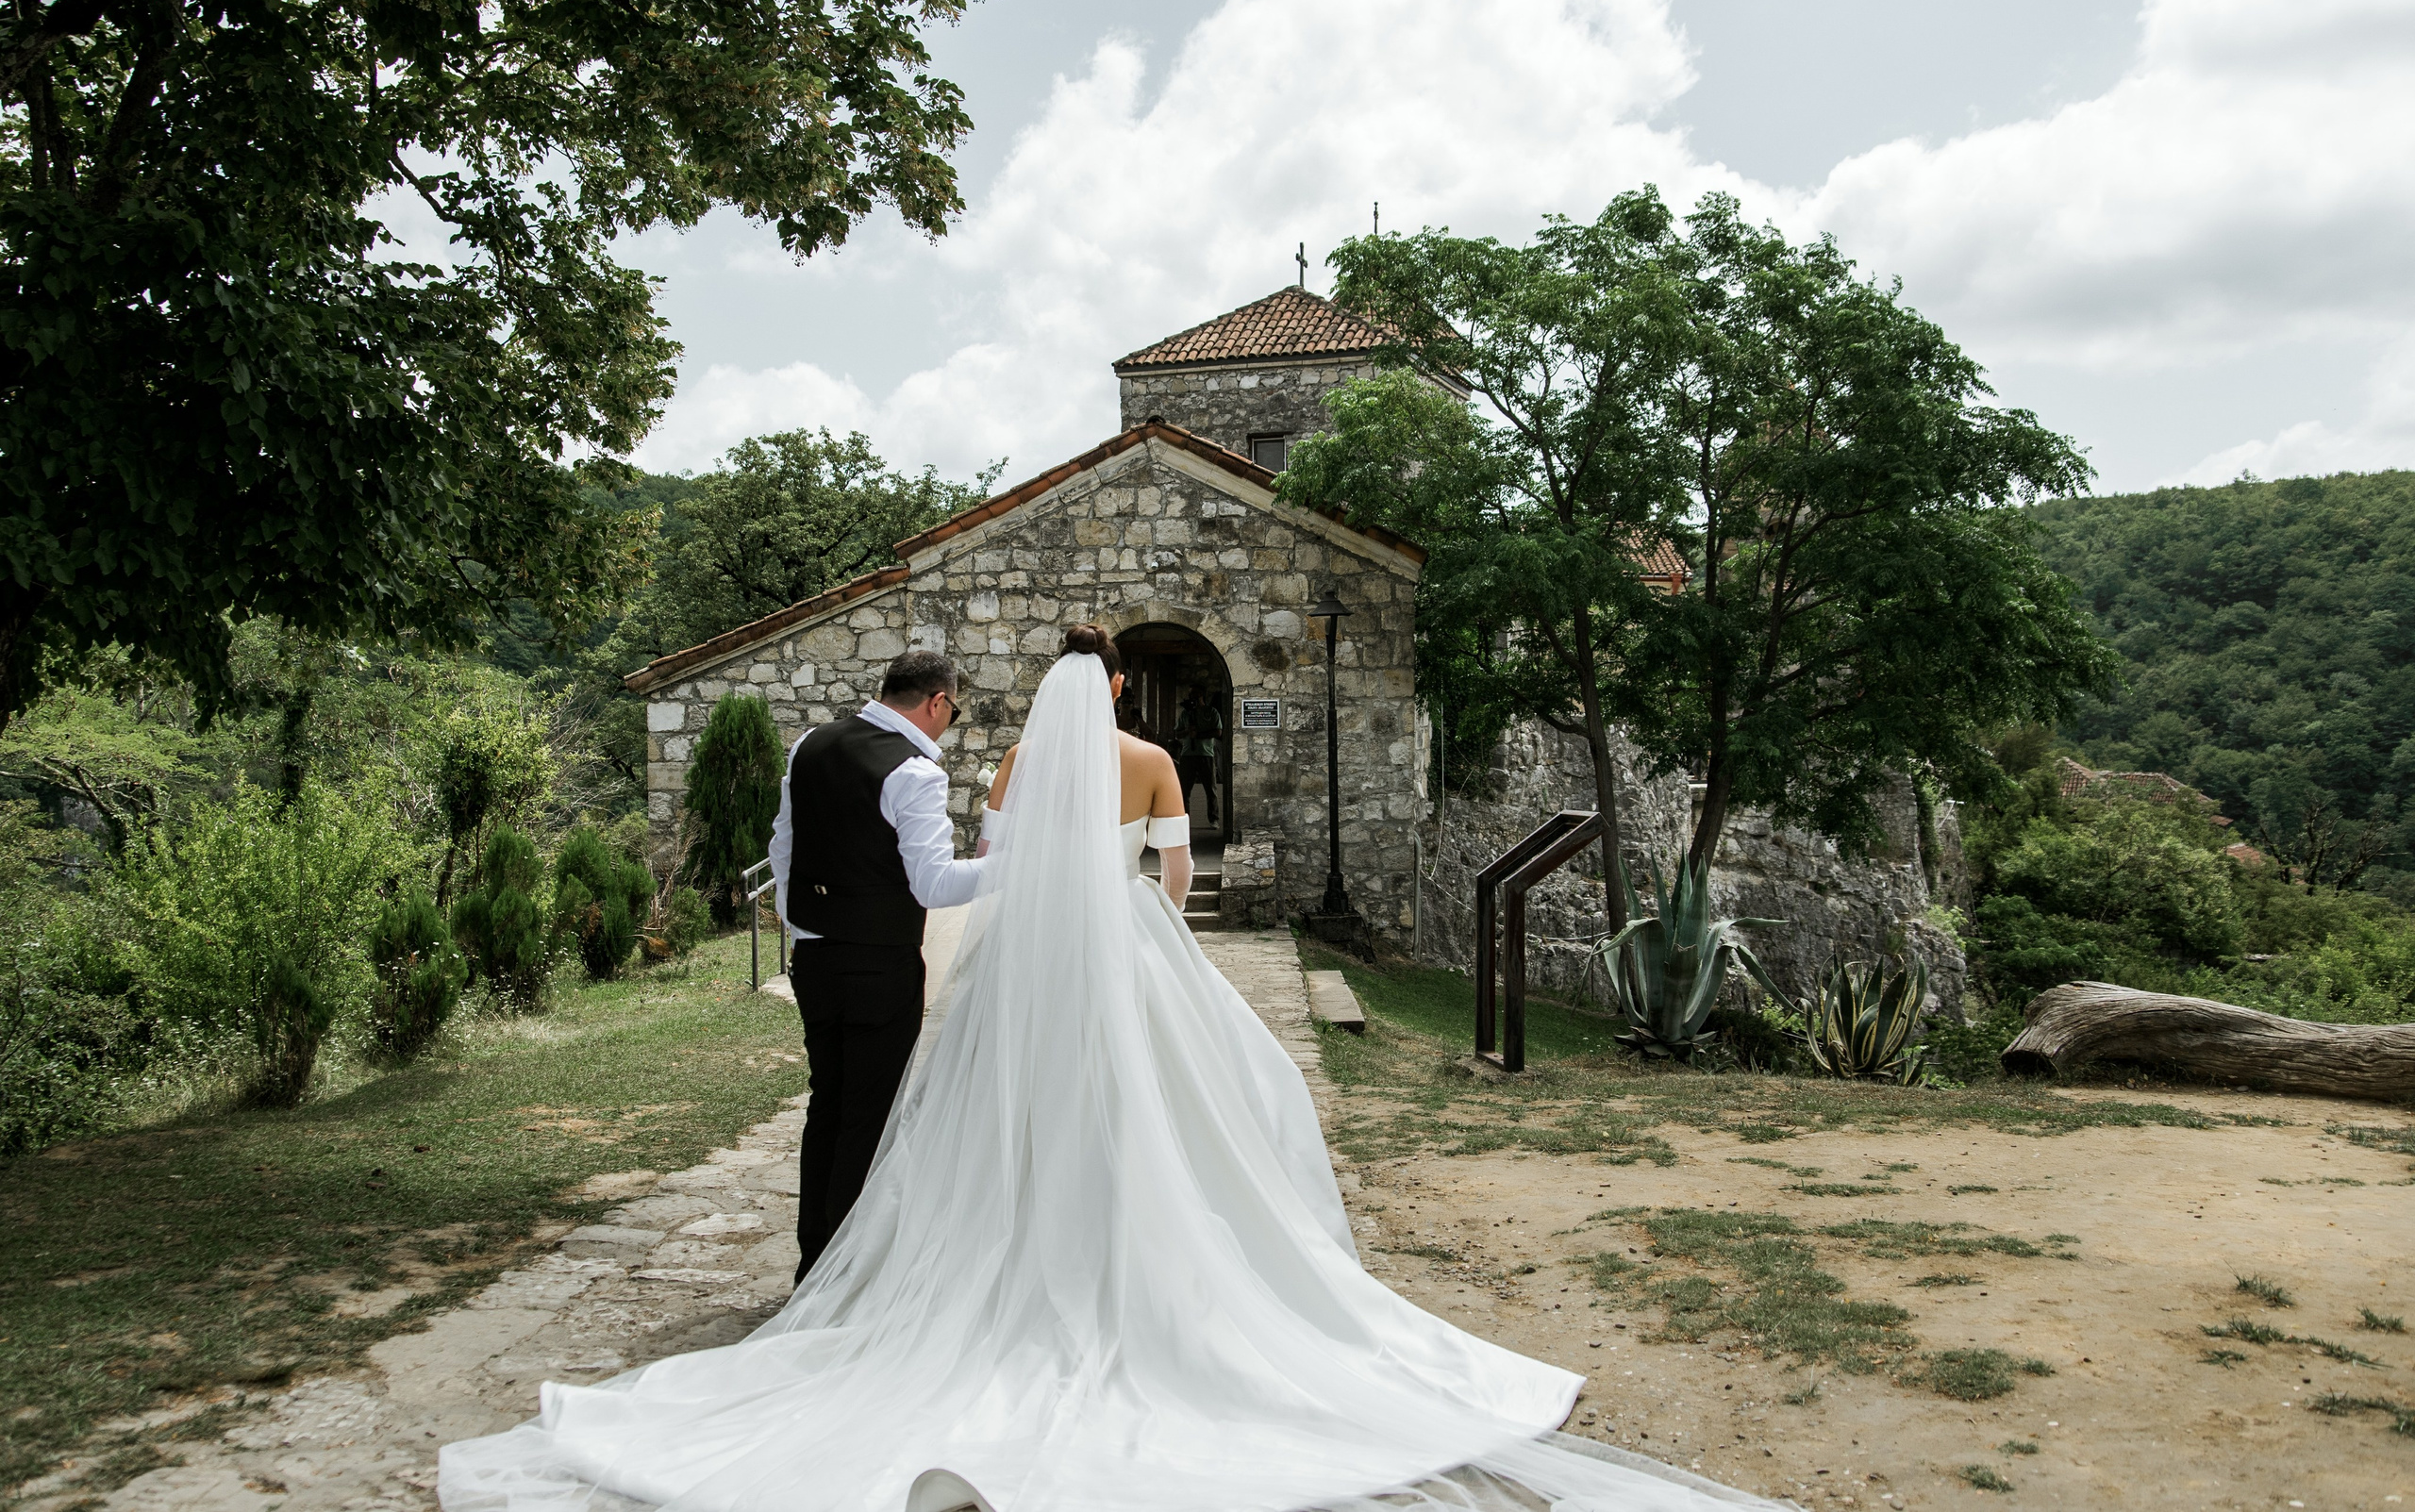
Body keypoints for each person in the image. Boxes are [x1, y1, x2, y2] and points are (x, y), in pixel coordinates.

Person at [440, 625, 1779, 1512]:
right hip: (1118, 943)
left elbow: (974, 859)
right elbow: (1175, 873)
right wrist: (1139, 907)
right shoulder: (1150, 761)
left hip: (985, 953)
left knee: (955, 1109)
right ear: (1123, 692)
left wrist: (973, 893)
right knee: (1174, 1100)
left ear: (1042, 702)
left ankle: (883, 1268)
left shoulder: (999, 758)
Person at [763, 650, 983, 1284]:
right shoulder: (914, 772)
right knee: (870, 1116)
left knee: (828, 1105)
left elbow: (783, 847)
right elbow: (934, 884)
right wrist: (1022, 864)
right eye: (953, 712)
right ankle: (844, 1276)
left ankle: (814, 1261)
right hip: (880, 964)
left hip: (814, 957)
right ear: (937, 701)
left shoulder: (810, 745)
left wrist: (805, 924)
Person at [1173, 688, 1222, 824]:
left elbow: (1218, 732)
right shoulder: (1185, 714)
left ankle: (1213, 818)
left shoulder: (1211, 712)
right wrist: (1187, 731)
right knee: (1184, 790)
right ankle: (1184, 818)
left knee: (1210, 789)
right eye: (1190, 695)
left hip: (1206, 754)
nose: (1192, 698)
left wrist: (1199, 735)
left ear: (1202, 695)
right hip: (1187, 754)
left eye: (1195, 695)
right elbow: (1177, 733)